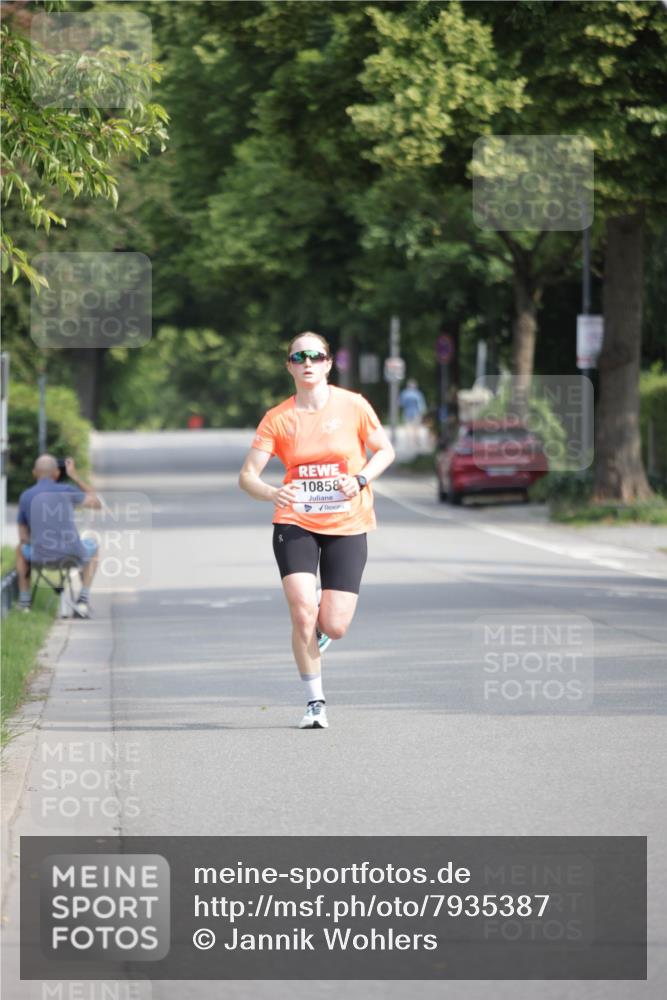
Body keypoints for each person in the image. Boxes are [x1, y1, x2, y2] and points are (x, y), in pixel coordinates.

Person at [239, 331, 395, 729]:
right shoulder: (278, 418)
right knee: (302, 610)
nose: (308, 362)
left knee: (335, 625)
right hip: (295, 521)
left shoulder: (353, 405)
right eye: (299, 357)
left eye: (316, 356)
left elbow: (385, 450)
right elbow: (247, 476)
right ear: (289, 366)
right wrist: (273, 492)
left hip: (347, 521)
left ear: (328, 363)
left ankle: (321, 625)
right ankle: (315, 702)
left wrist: (360, 479)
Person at [16, 454, 102, 617]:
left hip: (40, 557)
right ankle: (83, 600)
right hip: (73, 555)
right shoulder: (67, 490)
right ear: (56, 473)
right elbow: (97, 503)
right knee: (93, 543)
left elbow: (23, 537)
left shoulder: (26, 496)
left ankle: (25, 603)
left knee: (19, 549)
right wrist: (74, 476)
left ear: (35, 472)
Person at [399, 379, 427, 446]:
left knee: (408, 427)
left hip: (407, 412)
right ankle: (416, 441)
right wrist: (423, 412)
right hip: (416, 413)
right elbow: (421, 405)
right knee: (416, 428)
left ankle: (409, 441)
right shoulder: (417, 394)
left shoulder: (405, 393)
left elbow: (401, 404)